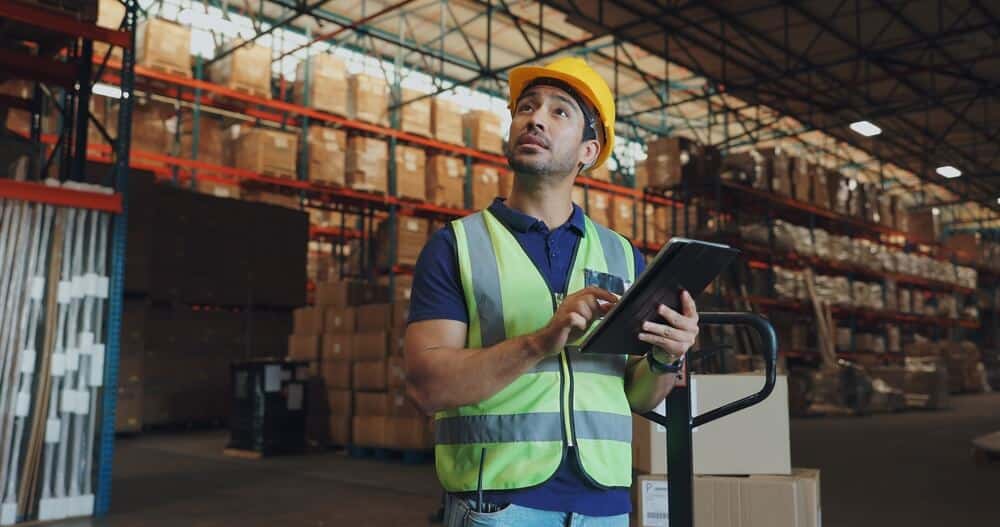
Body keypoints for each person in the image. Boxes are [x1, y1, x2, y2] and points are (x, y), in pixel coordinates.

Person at [405, 57, 700, 527]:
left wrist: (667, 357)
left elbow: (638, 396)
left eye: (559, 111)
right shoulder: (456, 247)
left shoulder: (623, 256)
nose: (535, 118)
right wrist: (542, 341)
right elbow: (427, 386)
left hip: (604, 506)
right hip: (499, 505)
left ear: (588, 151)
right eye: (526, 107)